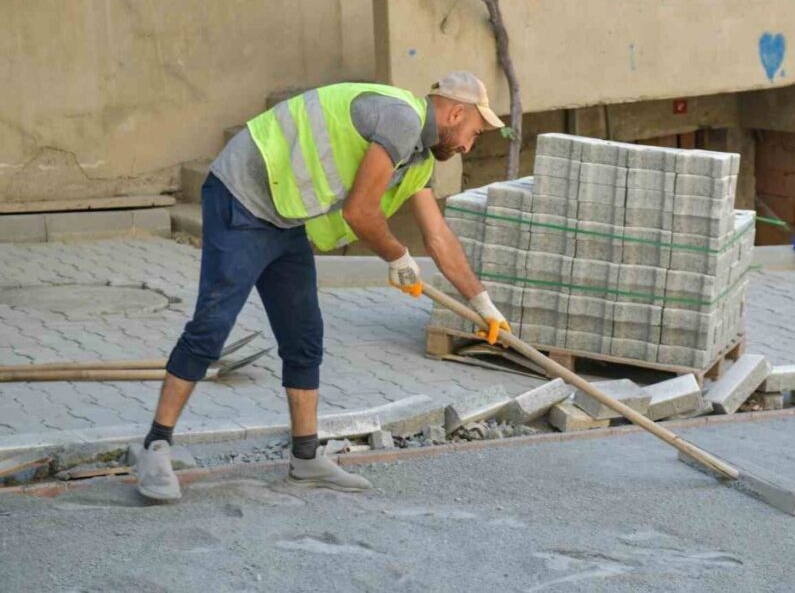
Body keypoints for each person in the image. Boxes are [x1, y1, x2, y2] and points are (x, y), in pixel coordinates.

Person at [135, 72, 512, 500]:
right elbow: (359, 212)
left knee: (304, 337)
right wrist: (397, 257)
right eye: (474, 133)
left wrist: (483, 306)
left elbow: (439, 237)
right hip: (242, 193)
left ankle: (305, 458)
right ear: (456, 112)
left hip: (285, 212)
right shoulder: (401, 119)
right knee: (212, 327)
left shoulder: (419, 160)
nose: (469, 146)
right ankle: (155, 446)